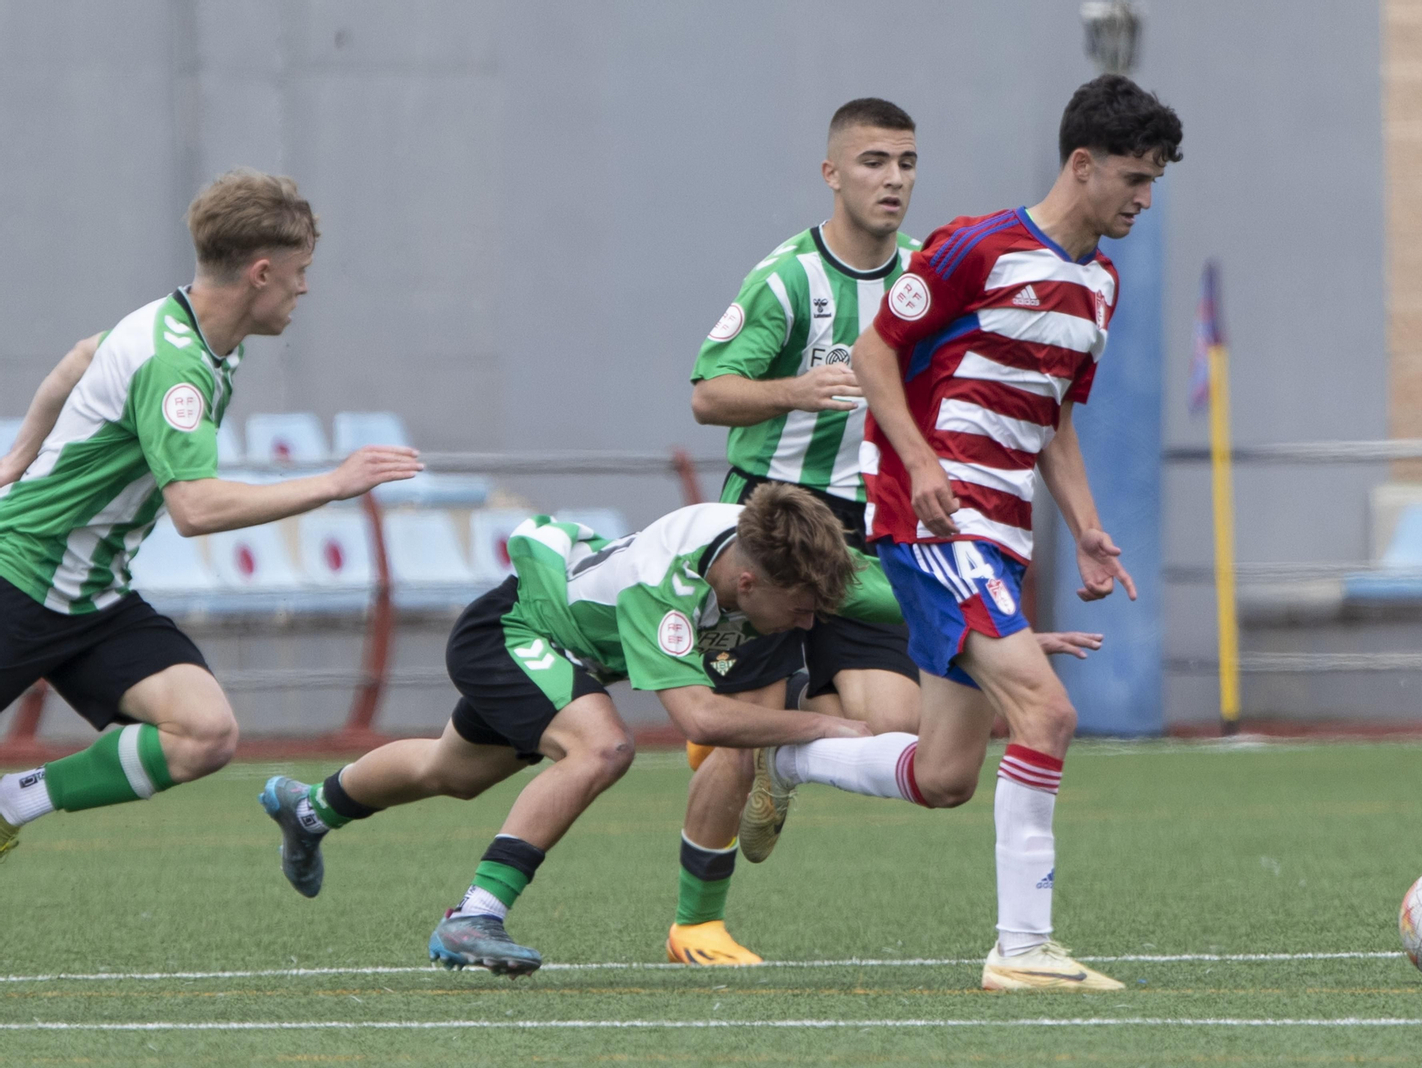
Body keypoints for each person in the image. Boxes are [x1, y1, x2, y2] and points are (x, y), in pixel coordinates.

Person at [738, 74, 1184, 992]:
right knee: (1049, 713)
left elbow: (1050, 413)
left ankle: (784, 756)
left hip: (999, 532)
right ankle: (1022, 951)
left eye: (1154, 183)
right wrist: (924, 463)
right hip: (930, 517)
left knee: (945, 773)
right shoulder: (978, 247)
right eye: (1135, 179)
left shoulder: (1099, 284)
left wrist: (1088, 530)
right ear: (1082, 163)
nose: (1145, 199)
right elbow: (874, 353)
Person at [259, 484, 881, 977]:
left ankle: (310, 809)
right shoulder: (667, 584)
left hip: (563, 656)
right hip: (512, 633)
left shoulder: (774, 547)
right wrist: (824, 723)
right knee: (602, 747)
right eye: (801, 609)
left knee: (449, 771)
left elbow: (883, 595)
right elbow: (701, 719)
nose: (809, 621)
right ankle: (474, 916)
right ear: (748, 584)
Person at [0, 169, 423, 863]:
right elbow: (193, 509)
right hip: (17, 578)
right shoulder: (178, 367)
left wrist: (19, 455)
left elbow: (81, 356)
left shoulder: (177, 323)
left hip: (89, 599)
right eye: (300, 271)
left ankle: (12, 802)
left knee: (203, 733)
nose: (305, 287)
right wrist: (333, 483)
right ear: (261, 273)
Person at [673, 97, 927, 965]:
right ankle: (694, 923)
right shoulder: (786, 278)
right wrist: (795, 389)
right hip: (777, 519)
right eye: (873, 162)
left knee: (899, 726)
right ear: (832, 173)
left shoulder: (926, 278)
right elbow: (709, 394)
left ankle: (779, 760)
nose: (892, 179)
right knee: (743, 726)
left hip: (866, 526)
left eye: (905, 162)